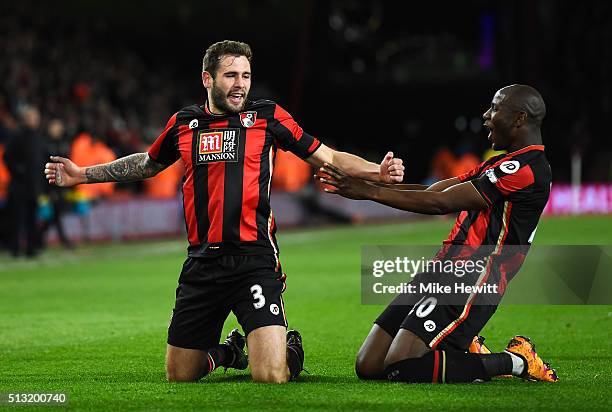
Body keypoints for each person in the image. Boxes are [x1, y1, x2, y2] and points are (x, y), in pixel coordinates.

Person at [44, 40, 404, 383]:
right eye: (231, 76)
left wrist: (378, 171)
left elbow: (329, 155)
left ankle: (290, 348)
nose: (240, 85)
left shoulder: (268, 117)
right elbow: (147, 164)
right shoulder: (184, 124)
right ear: (207, 79)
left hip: (253, 259)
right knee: (181, 374)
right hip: (202, 264)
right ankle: (230, 353)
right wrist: (83, 175)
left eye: (246, 76)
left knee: (271, 375)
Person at [318, 84, 559, 383]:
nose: (486, 115)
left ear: (520, 118)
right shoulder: (499, 163)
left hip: (477, 274)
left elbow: (439, 204)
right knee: (369, 365)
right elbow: (435, 190)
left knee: (403, 365)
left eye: (495, 108)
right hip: (444, 266)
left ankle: (516, 361)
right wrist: (372, 187)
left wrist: (369, 192)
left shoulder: (528, 170)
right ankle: (464, 347)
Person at [5, 105, 47, 257]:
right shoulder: (17, 136)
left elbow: (42, 159)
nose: (34, 120)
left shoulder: (39, 137)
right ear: (25, 119)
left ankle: (31, 248)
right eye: (31, 117)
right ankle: (14, 248)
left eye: (36, 117)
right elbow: (7, 158)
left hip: (34, 185)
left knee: (32, 218)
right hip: (19, 186)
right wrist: (18, 170)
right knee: (17, 218)